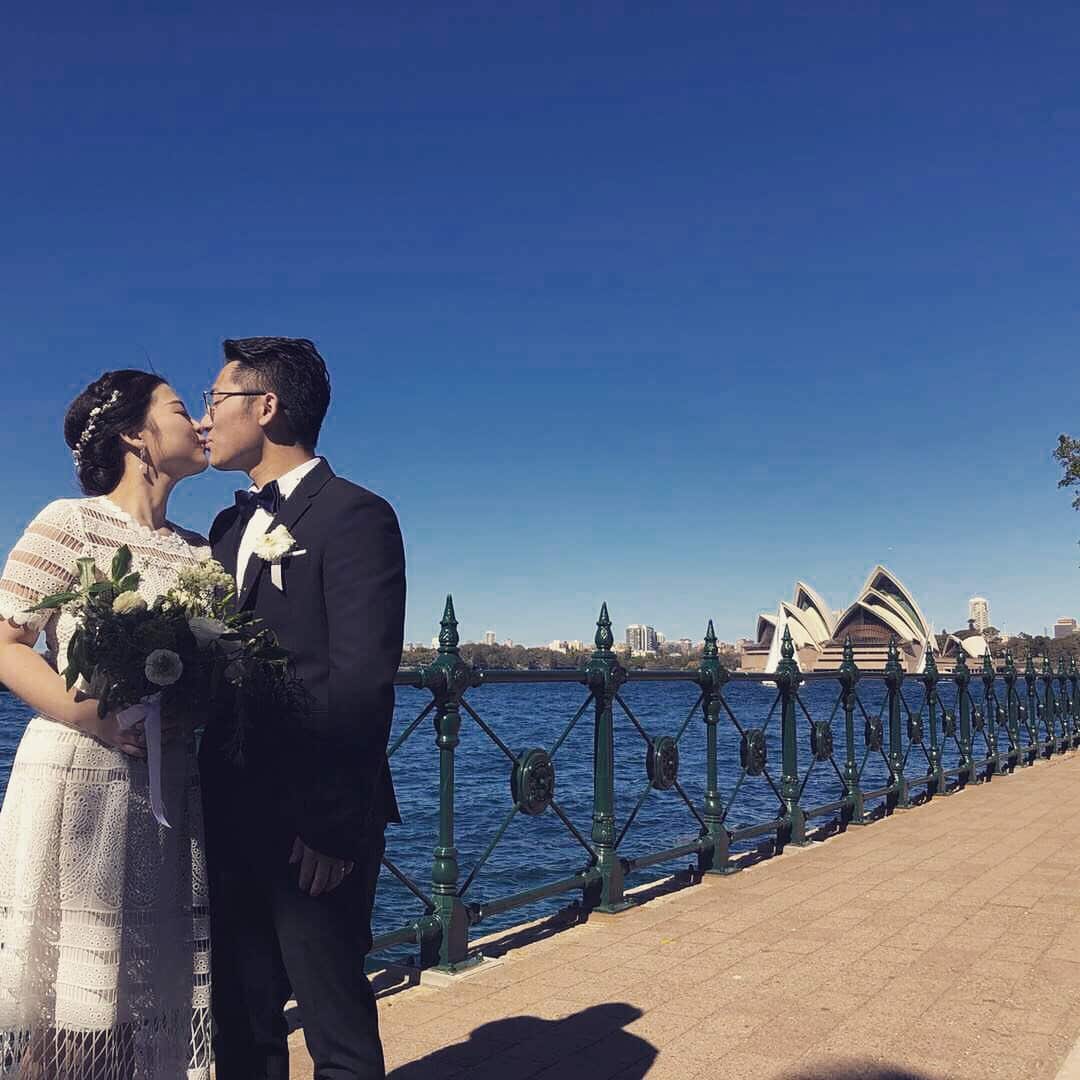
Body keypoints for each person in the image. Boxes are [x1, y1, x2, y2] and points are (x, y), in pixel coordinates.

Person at [198, 337, 405, 1080]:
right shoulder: (224, 530)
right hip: (228, 810)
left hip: (313, 822)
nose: (204, 417)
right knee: (241, 1026)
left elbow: (360, 679)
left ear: (267, 406)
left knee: (335, 1022)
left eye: (216, 398)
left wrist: (329, 826)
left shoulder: (355, 516)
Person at [0, 371, 212, 1079]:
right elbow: (6, 642)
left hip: (167, 796)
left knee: (141, 1007)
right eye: (183, 410)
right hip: (79, 790)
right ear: (133, 434)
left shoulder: (200, 553)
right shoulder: (71, 522)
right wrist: (91, 715)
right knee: (67, 1016)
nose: (203, 423)